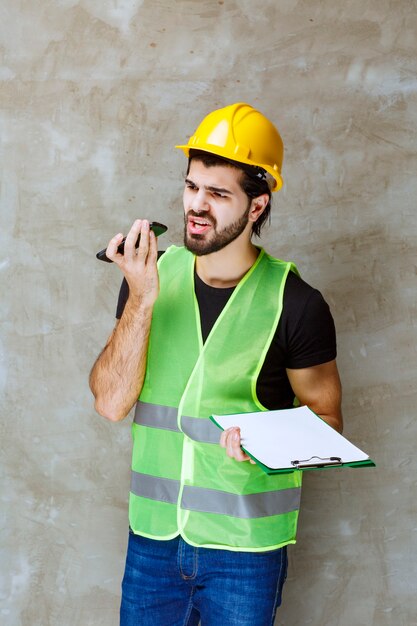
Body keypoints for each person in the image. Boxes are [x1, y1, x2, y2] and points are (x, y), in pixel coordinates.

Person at [89, 102, 343, 626]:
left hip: (244, 555)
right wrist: (141, 298)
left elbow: (330, 423)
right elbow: (112, 404)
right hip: (152, 545)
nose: (196, 206)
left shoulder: (295, 304)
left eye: (218, 193)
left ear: (256, 206)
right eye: (191, 187)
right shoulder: (149, 279)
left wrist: (269, 441)